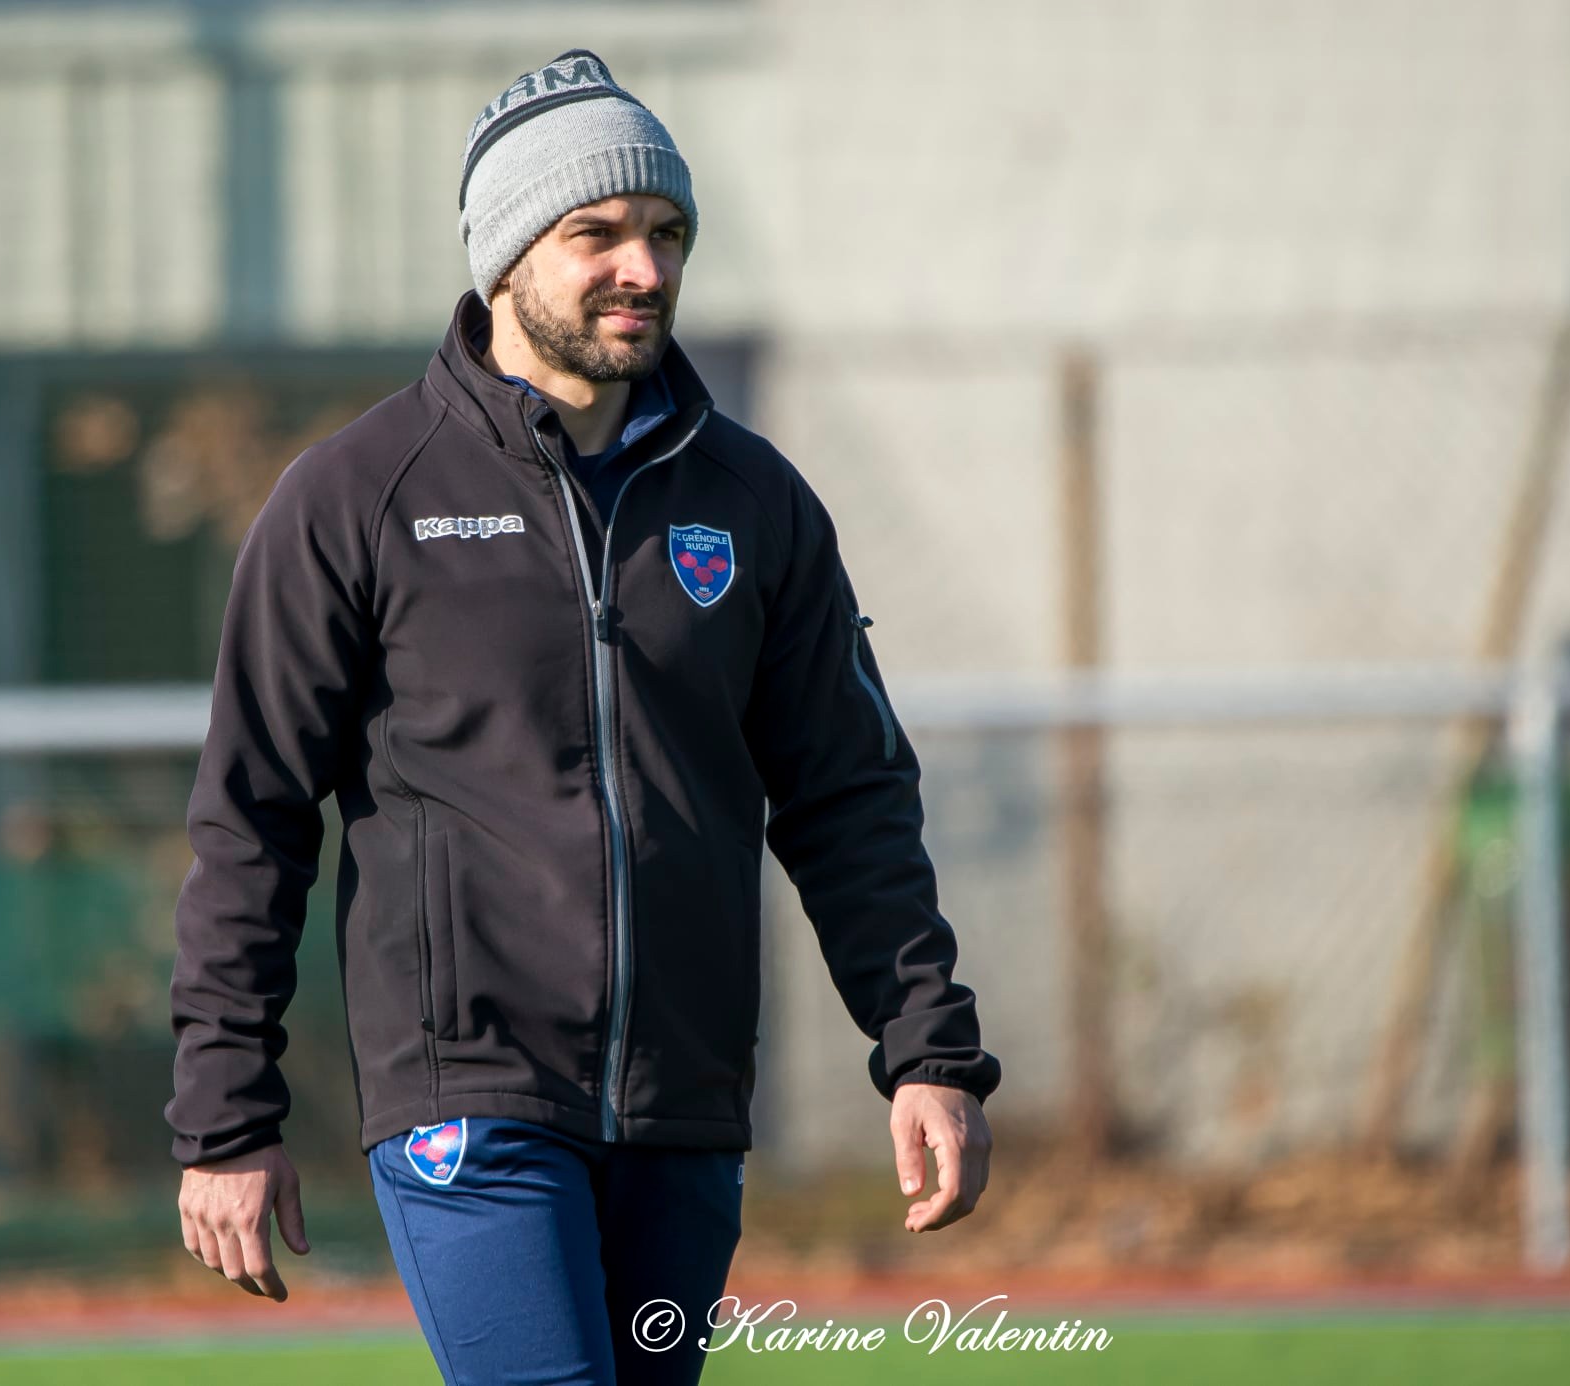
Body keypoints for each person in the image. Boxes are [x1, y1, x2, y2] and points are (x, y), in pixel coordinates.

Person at [166, 47, 1001, 1385]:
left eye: (666, 232)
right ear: (506, 257)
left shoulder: (753, 502)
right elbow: (251, 818)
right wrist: (223, 1112)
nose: (644, 266)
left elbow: (847, 792)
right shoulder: (355, 496)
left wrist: (925, 1044)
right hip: (467, 1102)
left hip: (684, 1104)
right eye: (596, 232)